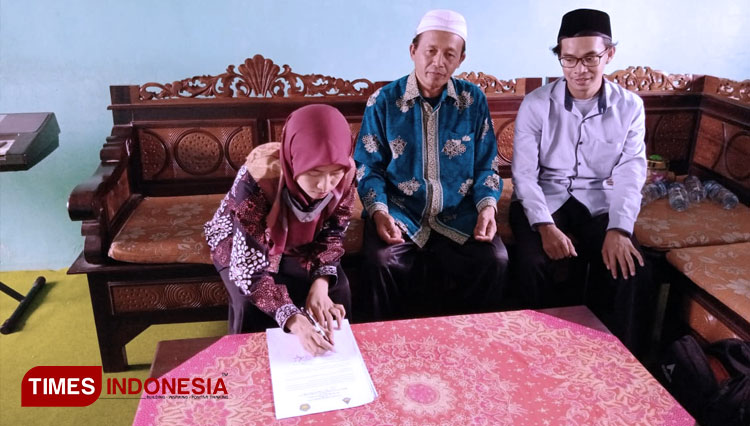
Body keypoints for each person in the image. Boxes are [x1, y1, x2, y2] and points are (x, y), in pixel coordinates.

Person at [510, 8, 650, 354]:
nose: (579, 70)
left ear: (609, 54)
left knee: (628, 267)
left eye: (590, 58)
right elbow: (524, 174)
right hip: (545, 200)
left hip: (597, 202)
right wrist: (544, 227)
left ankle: (612, 360)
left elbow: (631, 171)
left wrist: (620, 229)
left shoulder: (630, 107)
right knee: (532, 263)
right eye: (568, 59)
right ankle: (531, 352)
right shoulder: (536, 104)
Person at [354, 9, 508, 321]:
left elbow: (486, 165)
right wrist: (379, 212)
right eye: (430, 51)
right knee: (381, 261)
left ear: (461, 59)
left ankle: (475, 345)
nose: (438, 62)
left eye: (449, 54)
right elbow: (368, 168)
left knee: (495, 259)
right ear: (413, 51)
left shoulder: (473, 100)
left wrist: (488, 209)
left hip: (458, 214)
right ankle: (386, 350)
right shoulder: (383, 101)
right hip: (401, 214)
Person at [204, 104, 355, 356]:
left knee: (337, 290)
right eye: (314, 172)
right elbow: (248, 270)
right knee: (248, 301)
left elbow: (333, 232)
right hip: (243, 240)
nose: (324, 185)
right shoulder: (258, 178)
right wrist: (294, 320)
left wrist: (320, 284)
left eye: (334, 174)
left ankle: (336, 360)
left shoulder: (348, 174)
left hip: (306, 240)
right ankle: (251, 365)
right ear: (294, 159)